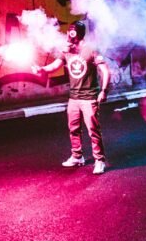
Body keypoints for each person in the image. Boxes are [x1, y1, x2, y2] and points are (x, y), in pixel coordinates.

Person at [32, 20, 111, 174]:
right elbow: (55, 65)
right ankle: (77, 156)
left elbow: (105, 71)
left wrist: (104, 91)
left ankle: (99, 160)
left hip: (89, 97)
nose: (69, 35)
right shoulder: (67, 50)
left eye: (72, 32)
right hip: (73, 97)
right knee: (73, 129)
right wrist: (42, 69)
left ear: (78, 33)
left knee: (93, 130)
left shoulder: (91, 49)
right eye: (68, 31)